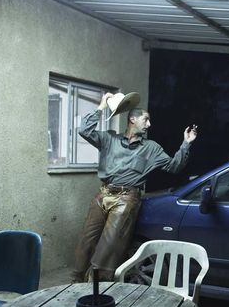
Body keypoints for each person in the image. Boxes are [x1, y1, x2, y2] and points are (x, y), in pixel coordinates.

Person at [71, 92, 198, 282]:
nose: (149, 124)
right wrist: (101, 107)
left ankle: (97, 286)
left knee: (109, 246)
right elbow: (84, 130)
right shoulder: (109, 140)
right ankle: (75, 281)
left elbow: (174, 166)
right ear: (132, 119)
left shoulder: (151, 148)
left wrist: (186, 144)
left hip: (126, 198)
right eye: (145, 120)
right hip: (103, 194)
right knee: (86, 241)